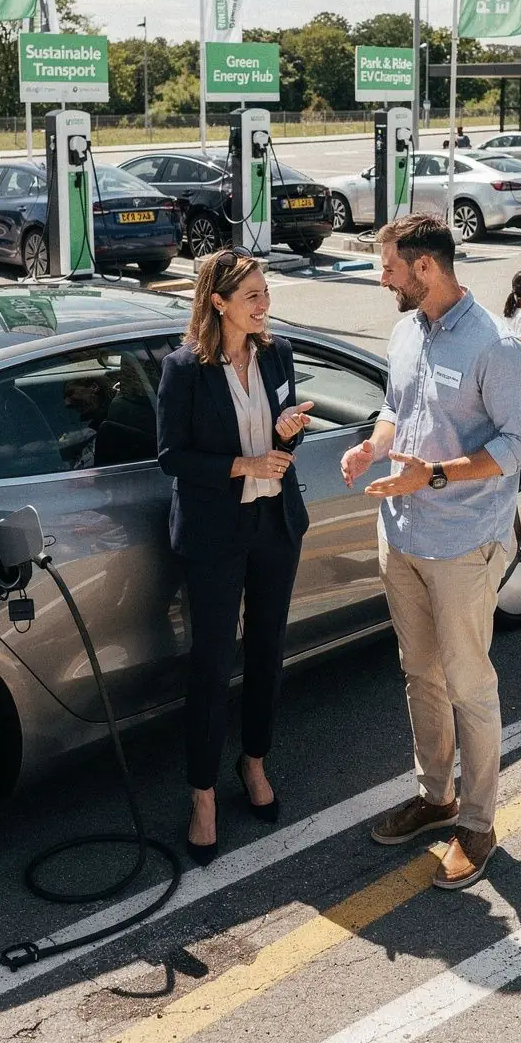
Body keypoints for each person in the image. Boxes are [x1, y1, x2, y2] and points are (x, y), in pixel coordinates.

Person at [339, 215, 521, 891]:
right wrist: (372, 445)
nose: (382, 278)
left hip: (462, 543)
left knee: (469, 684)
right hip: (401, 533)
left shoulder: (497, 346)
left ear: (426, 267)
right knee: (418, 673)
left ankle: (478, 823)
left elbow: (520, 445)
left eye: (390, 267)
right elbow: (397, 407)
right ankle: (437, 797)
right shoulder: (405, 331)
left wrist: (438, 475)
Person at [157, 248, 312, 864]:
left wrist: (286, 431)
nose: (264, 303)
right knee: (212, 664)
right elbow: (171, 455)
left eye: (266, 292)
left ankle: (254, 764)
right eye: (252, 295)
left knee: (269, 654)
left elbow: (279, 422)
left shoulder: (276, 353)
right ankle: (202, 796)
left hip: (275, 522)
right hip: (216, 532)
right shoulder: (184, 370)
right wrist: (241, 463)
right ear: (217, 301)